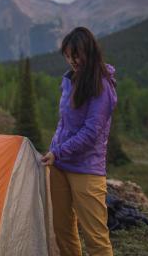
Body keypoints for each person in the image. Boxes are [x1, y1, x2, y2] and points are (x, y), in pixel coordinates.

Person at [41, 27, 117, 256]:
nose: (71, 60)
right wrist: (55, 149)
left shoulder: (102, 85)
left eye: (76, 55)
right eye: (67, 55)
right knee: (62, 231)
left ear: (89, 52)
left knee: (95, 237)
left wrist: (58, 151)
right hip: (59, 165)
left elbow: (91, 132)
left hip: (86, 169)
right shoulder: (69, 80)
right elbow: (64, 123)